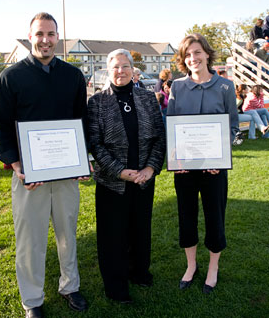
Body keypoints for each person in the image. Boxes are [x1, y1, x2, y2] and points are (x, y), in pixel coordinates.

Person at [0, 12, 88, 318]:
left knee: (67, 235)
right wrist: (17, 165)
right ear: (30, 36)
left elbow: (81, 121)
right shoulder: (11, 77)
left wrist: (81, 158)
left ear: (58, 37)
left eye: (51, 34)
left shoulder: (73, 76)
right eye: (39, 34)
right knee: (30, 240)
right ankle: (32, 300)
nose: (45, 40)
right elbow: (2, 127)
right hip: (29, 178)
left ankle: (70, 287)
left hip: (65, 175)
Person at [87, 49, 166, 303]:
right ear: (107, 71)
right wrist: (120, 172)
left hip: (143, 180)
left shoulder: (147, 97)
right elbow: (95, 145)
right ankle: (116, 287)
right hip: (112, 182)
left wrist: (149, 169)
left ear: (133, 70)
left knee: (140, 229)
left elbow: (159, 137)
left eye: (125, 66)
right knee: (113, 236)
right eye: (115, 67)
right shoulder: (97, 102)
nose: (120, 71)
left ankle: (139, 272)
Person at [167, 33, 238, 294]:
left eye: (197, 52)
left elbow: (232, 127)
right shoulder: (177, 87)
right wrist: (175, 158)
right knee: (186, 216)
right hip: (185, 168)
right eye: (187, 54)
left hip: (214, 168)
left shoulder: (225, 87)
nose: (193, 58)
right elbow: (171, 126)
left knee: (214, 217)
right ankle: (191, 265)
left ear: (207, 54)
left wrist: (220, 157)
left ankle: (213, 268)